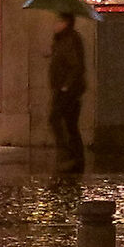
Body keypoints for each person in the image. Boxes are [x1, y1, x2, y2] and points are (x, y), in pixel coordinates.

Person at [48, 10, 87, 173]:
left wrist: (66, 85)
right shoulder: (62, 39)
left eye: (58, 21)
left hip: (68, 90)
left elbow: (76, 66)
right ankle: (74, 158)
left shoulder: (69, 39)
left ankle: (68, 155)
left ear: (66, 23)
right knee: (70, 124)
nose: (55, 24)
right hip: (64, 88)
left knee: (57, 120)